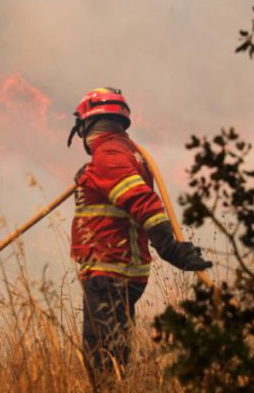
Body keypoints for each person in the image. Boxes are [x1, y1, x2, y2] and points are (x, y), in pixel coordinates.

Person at [66, 87, 212, 375]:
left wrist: (169, 248)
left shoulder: (109, 156)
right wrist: (89, 176)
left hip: (109, 274)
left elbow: (141, 200)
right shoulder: (122, 154)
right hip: (120, 274)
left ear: (88, 124)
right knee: (115, 358)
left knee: (102, 367)